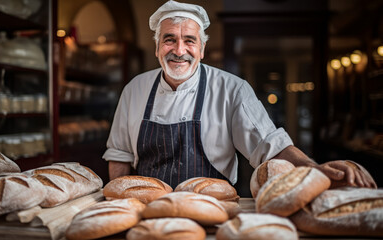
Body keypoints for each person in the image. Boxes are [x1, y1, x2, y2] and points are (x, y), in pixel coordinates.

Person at [102, 0, 376, 190]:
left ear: (203, 49)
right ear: (157, 47)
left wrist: (313, 168)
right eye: (169, 39)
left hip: (214, 211)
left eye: (190, 40)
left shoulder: (232, 89)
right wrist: (117, 204)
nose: (179, 49)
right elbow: (120, 156)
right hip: (149, 214)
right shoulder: (134, 90)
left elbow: (270, 145)